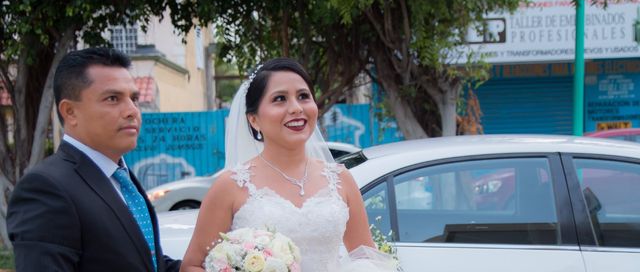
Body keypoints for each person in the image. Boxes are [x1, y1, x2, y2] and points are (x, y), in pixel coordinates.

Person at [181, 57, 397, 272]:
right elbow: (191, 266)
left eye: (303, 96)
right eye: (280, 99)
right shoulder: (230, 185)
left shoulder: (341, 179)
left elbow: (366, 259)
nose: (295, 108)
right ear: (253, 119)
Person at [7, 47, 181, 272]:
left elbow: (146, 262)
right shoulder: (46, 189)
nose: (132, 111)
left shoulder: (119, 177)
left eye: (134, 99)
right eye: (112, 98)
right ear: (70, 112)